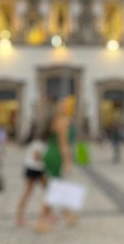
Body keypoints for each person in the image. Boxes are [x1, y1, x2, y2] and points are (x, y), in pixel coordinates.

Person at [36, 97, 78, 232]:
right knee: (53, 190)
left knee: (56, 186)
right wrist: (68, 161)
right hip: (56, 156)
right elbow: (63, 144)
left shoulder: (55, 121)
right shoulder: (63, 122)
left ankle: (68, 214)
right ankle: (41, 221)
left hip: (50, 153)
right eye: (64, 106)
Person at [14, 122, 49, 226]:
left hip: (33, 168)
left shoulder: (34, 142)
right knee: (45, 191)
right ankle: (20, 215)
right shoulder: (38, 143)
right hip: (36, 169)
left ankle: (20, 215)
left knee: (44, 191)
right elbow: (36, 156)